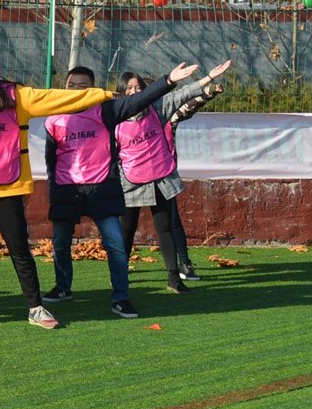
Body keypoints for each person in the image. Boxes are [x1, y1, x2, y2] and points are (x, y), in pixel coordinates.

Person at [0, 44, 114, 330]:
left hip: (9, 188)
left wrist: (101, 94)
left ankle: (35, 308)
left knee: (20, 250)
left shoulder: (14, 96)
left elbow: (56, 98)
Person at [42, 62, 199, 318]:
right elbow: (51, 159)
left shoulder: (105, 110)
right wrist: (53, 190)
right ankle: (62, 288)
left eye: (83, 86)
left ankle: (121, 298)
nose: (76, 90)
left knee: (115, 244)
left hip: (101, 189)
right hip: (67, 190)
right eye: (72, 85)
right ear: (64, 87)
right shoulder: (53, 118)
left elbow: (139, 101)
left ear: (92, 89)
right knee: (60, 244)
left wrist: (169, 80)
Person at [115, 60, 232, 294]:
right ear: (121, 92)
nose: (134, 92)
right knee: (127, 230)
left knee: (165, 226)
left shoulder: (157, 108)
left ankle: (174, 278)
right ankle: (120, 274)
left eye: (138, 88)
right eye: (129, 88)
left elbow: (184, 95)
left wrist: (208, 78)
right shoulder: (114, 116)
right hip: (130, 181)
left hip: (160, 178)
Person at [166, 78, 225, 282]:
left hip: (163, 175)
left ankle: (184, 264)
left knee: (173, 220)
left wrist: (209, 92)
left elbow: (188, 107)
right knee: (128, 224)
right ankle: (120, 266)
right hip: (133, 177)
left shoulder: (168, 118)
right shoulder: (126, 118)